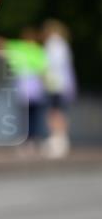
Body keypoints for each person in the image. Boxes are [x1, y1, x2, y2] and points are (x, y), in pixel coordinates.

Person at [41, 19, 77, 158]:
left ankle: (58, 140)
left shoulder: (53, 44)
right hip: (63, 84)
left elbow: (51, 64)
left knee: (54, 112)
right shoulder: (63, 44)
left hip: (55, 84)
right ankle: (61, 139)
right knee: (59, 111)